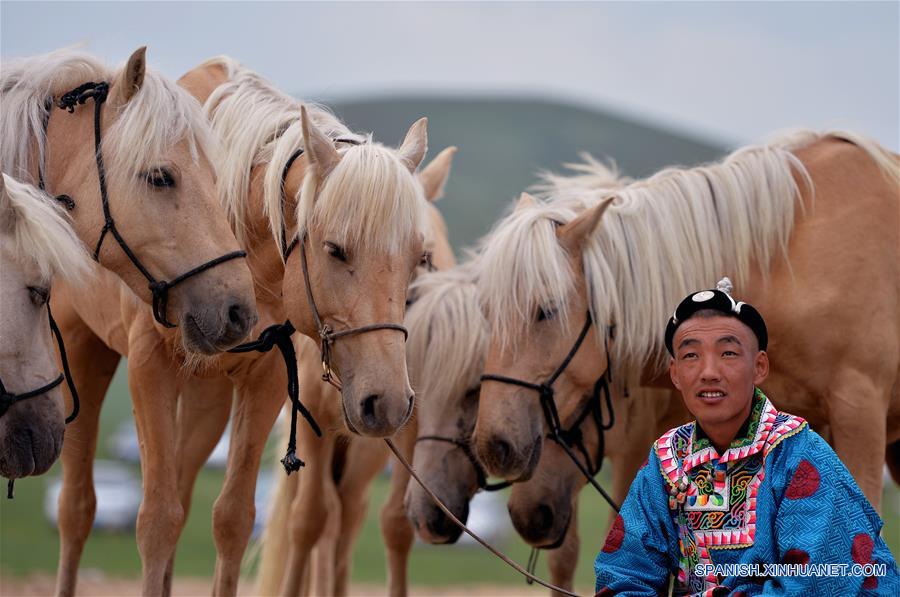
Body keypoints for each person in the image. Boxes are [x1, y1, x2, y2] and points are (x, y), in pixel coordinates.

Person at [594, 279, 898, 596]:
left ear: (759, 367)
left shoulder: (798, 453)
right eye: (691, 356)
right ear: (674, 374)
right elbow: (624, 574)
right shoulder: (666, 460)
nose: (708, 371)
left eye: (728, 353)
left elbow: (815, 584)